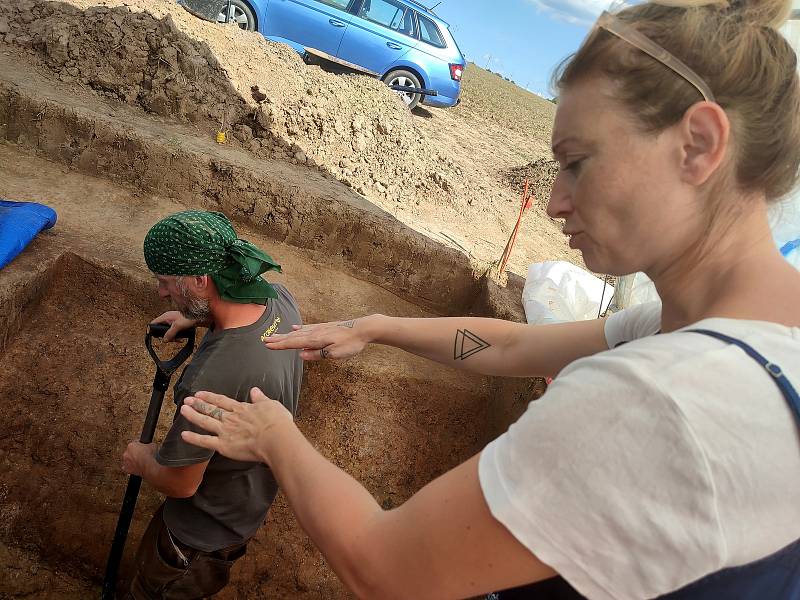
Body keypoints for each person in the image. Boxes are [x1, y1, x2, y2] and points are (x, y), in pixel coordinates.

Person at [173, 1, 800, 598]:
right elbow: (516, 345)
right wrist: (376, 327)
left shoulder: (661, 401)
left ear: (698, 144)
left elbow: (384, 568)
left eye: (577, 161)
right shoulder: (722, 332)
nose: (555, 202)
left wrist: (276, 437)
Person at [121, 210, 303, 599]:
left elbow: (181, 482)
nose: (160, 293)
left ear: (202, 281)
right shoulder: (280, 302)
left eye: (166, 282)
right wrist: (198, 316)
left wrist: (141, 458)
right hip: (241, 508)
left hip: (194, 541)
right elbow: (245, 333)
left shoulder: (209, 381)